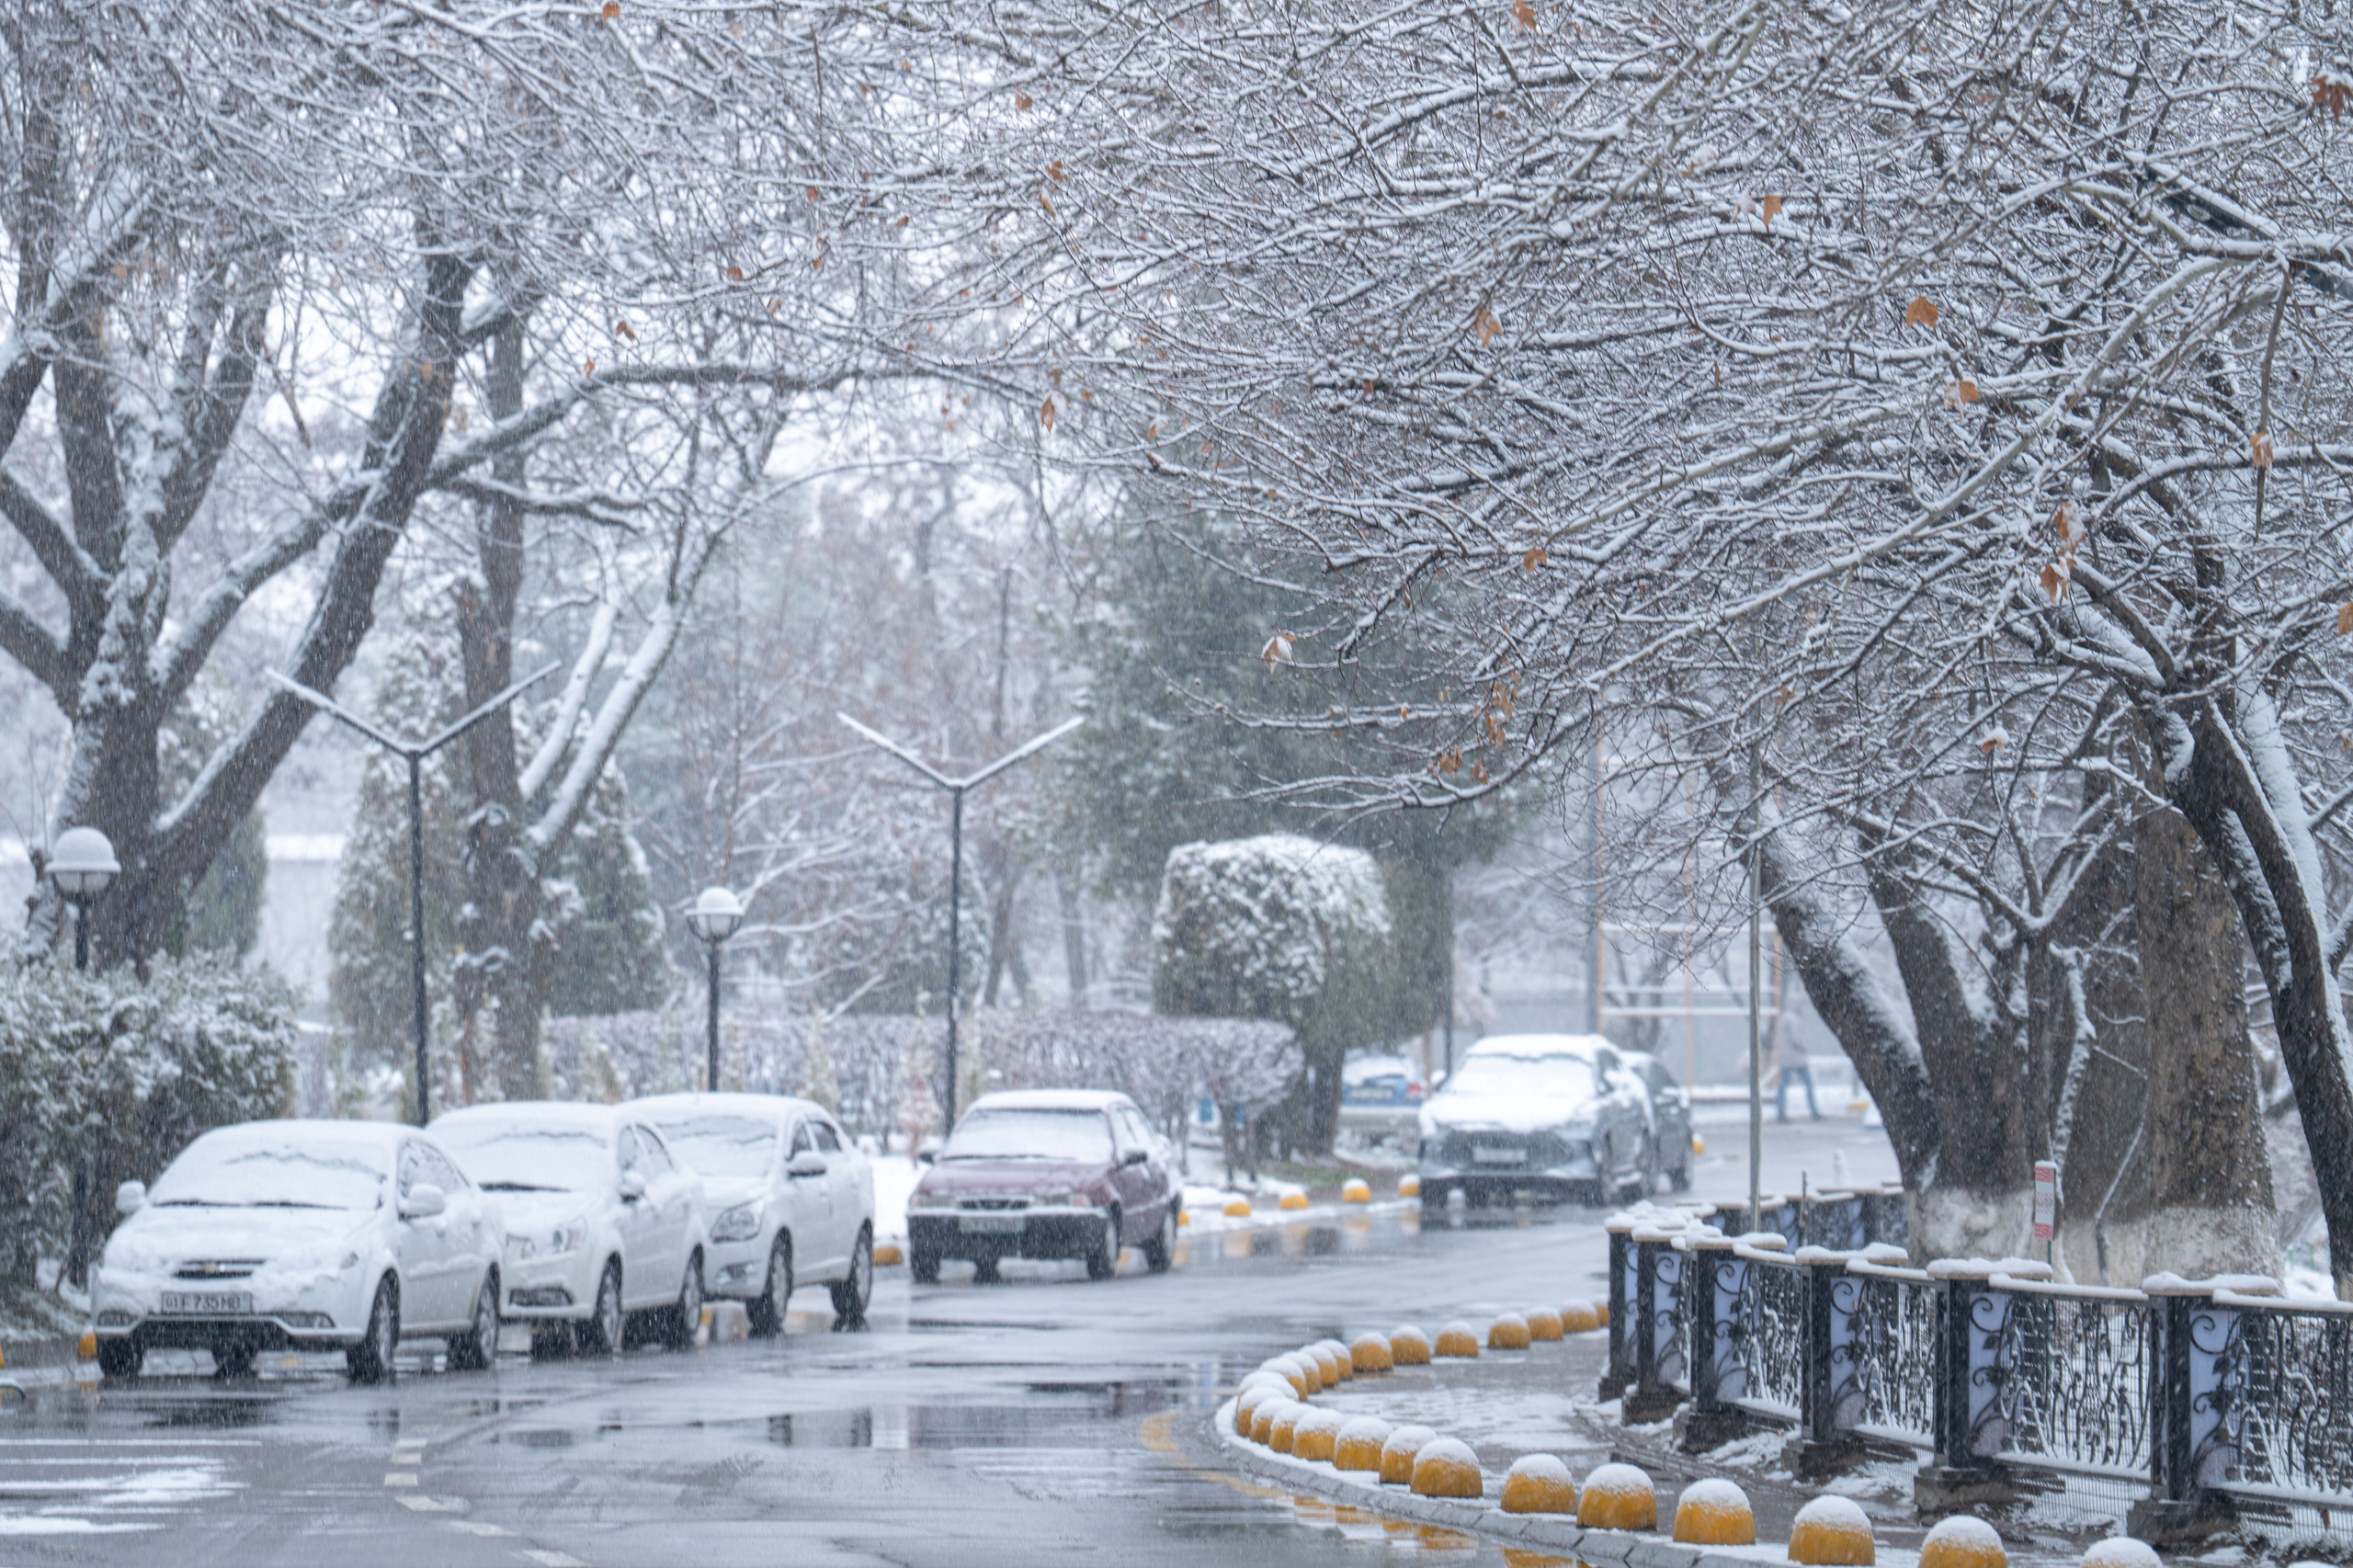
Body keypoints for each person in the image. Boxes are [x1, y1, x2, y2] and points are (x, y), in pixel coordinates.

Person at [1775, 1029, 1818, 1122]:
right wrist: (1803, 1048)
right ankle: (1814, 1111)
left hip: (1785, 1058)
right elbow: (1795, 1038)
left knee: (1783, 1086)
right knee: (1808, 1084)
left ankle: (1780, 1112)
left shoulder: (1782, 1019)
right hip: (1796, 1058)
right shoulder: (1793, 1018)